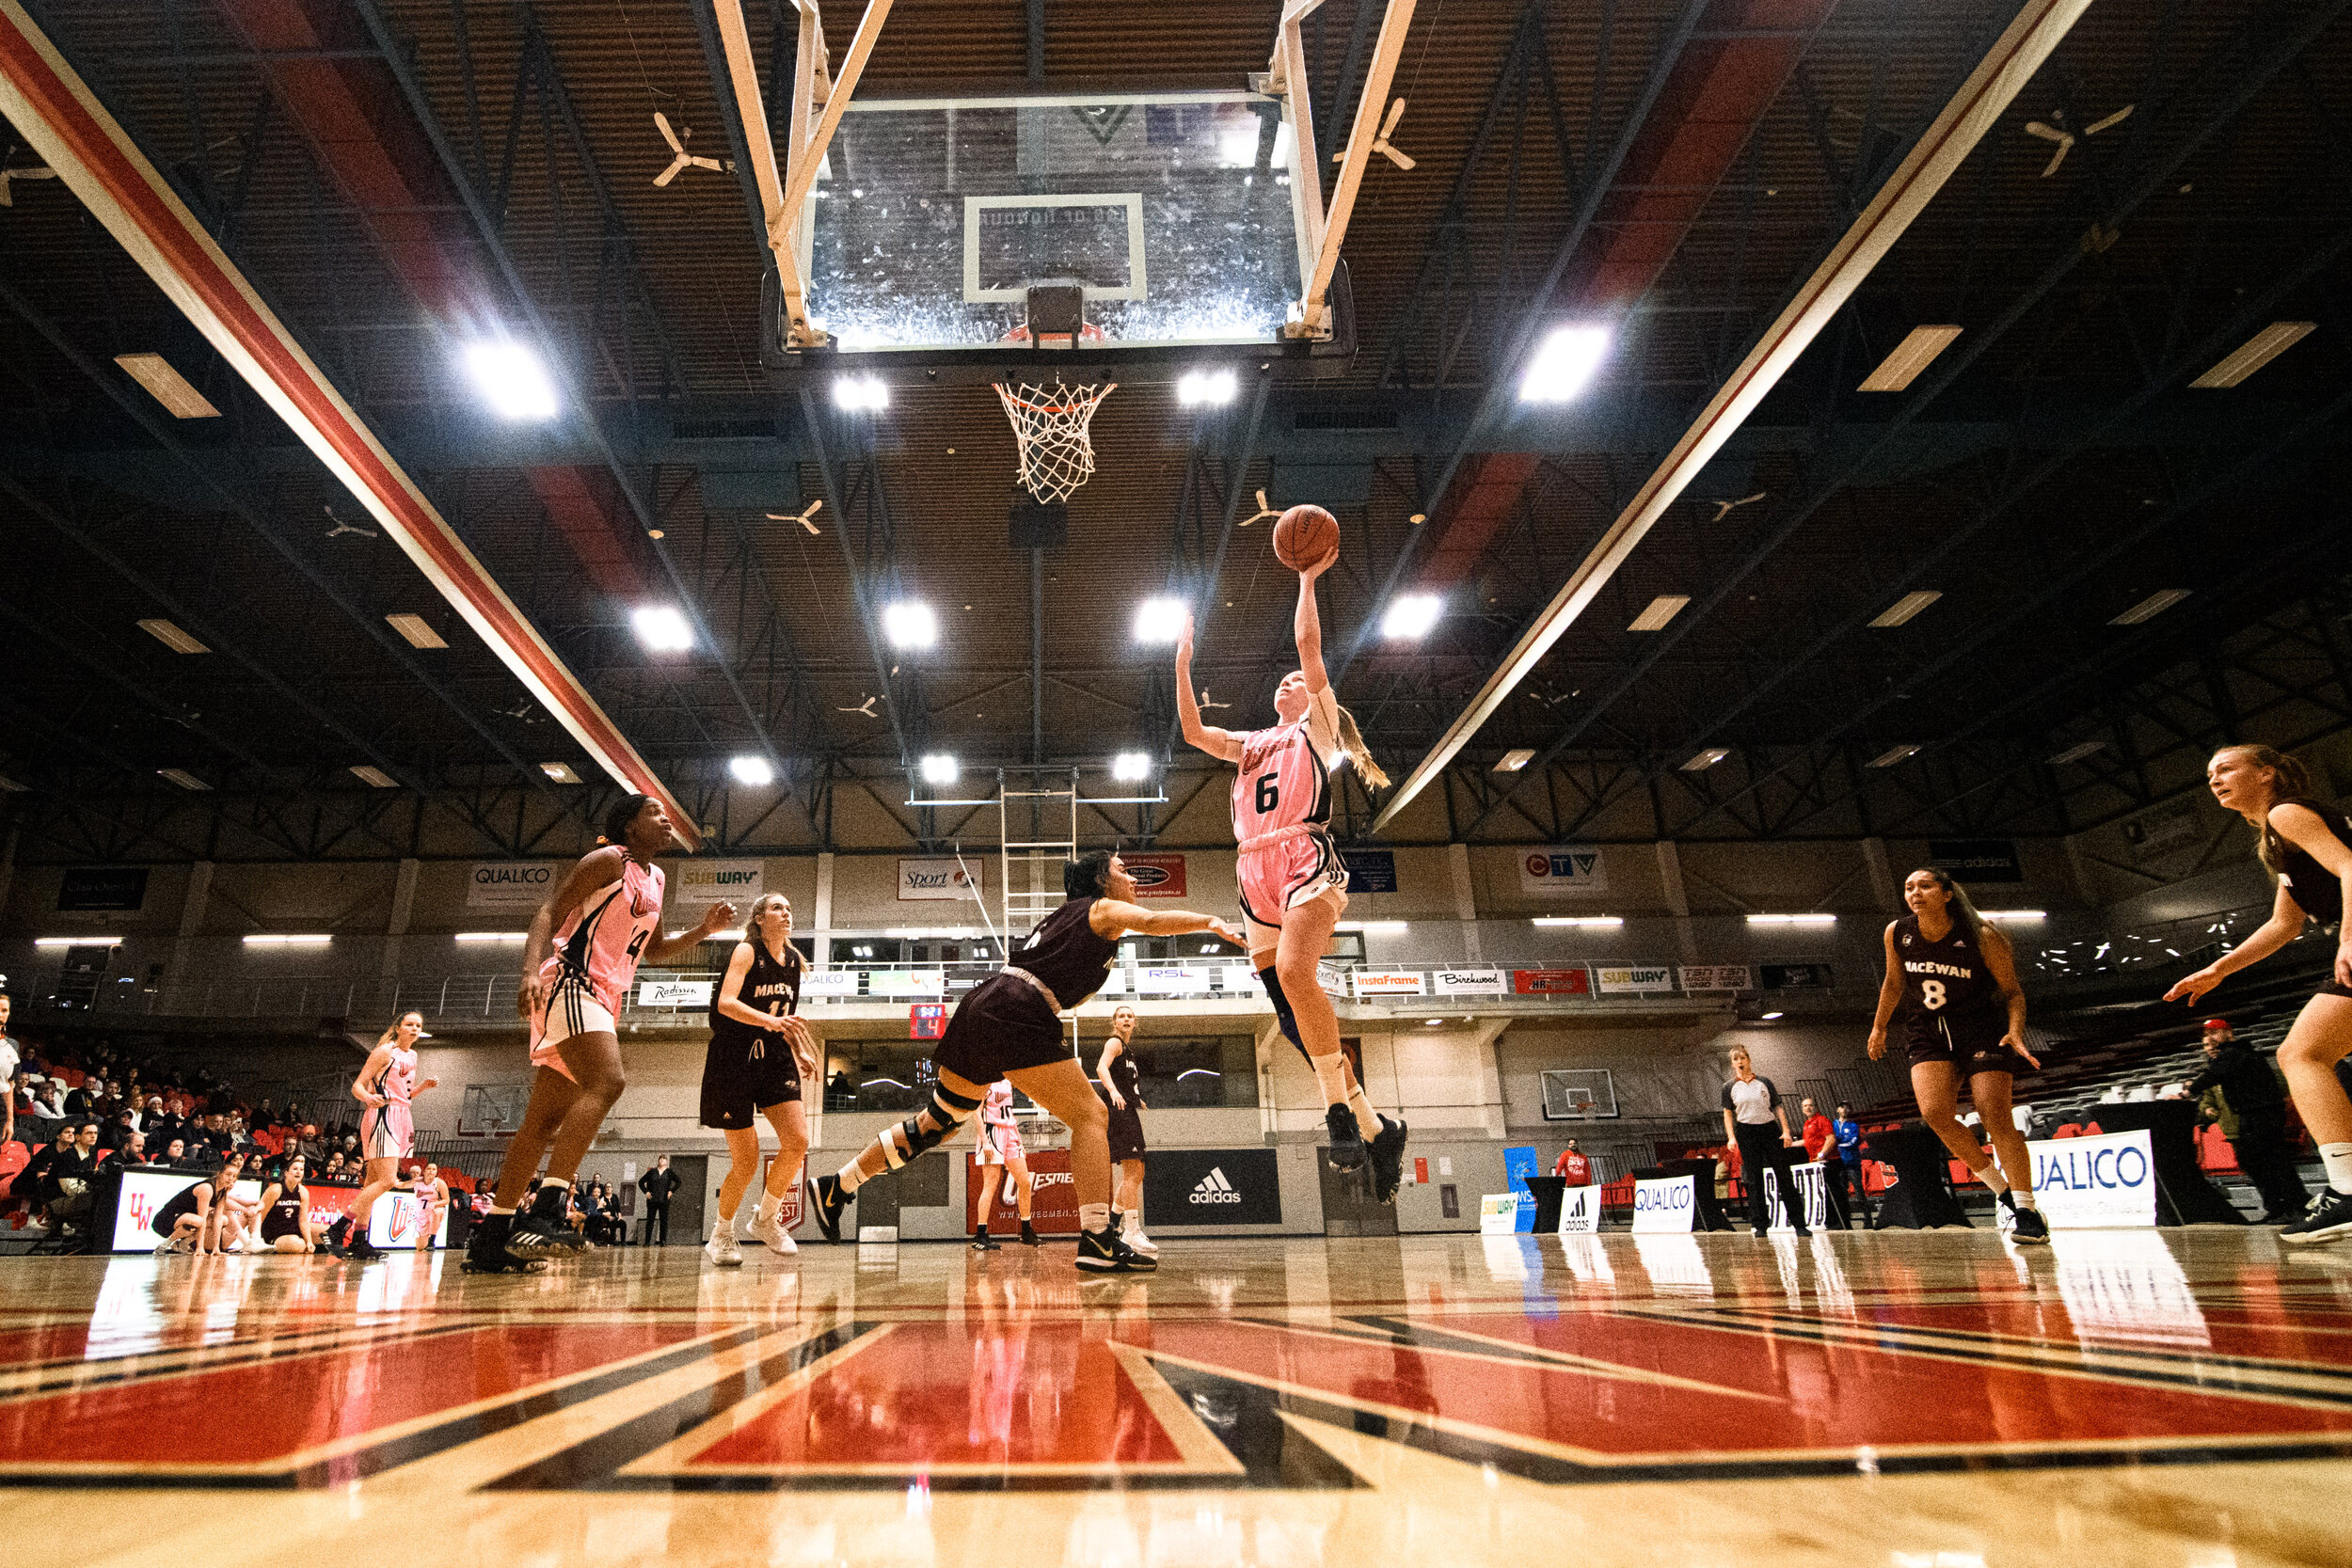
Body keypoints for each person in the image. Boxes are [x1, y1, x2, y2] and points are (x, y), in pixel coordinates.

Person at [807, 850, 1244, 1273]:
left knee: (937, 1121)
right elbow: (1150, 922)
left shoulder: (1067, 922)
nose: (1132, 878)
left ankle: (838, 1185)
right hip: (1018, 1007)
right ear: (1100, 881)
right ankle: (1097, 1238)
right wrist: (1209, 921)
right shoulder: (1099, 909)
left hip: (985, 1002)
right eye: (1122, 869)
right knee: (1092, 1115)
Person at [1176, 563, 1407, 1197]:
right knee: (1285, 1013)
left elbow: (1309, 646)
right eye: (1280, 679)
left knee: (1298, 974)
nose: (1287, 680)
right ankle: (1375, 1126)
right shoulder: (1252, 742)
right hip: (1252, 867)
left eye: (1294, 680)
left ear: (1312, 695)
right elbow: (1194, 730)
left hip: (1302, 852)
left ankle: (1339, 1112)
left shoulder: (1319, 729)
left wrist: (1307, 576)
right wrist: (1182, 658)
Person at [467, 793, 734, 1274]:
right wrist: (529, 970)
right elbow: (548, 911)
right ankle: (549, 1208)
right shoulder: (609, 860)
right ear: (630, 827)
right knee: (609, 1082)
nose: (667, 820)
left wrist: (705, 930)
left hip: (603, 999)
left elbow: (654, 950)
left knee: (542, 1121)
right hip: (571, 979)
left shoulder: (656, 878)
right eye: (655, 813)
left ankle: (492, 1237)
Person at [2165, 744, 2352, 1243]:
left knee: (2303, 1053)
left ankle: (2349, 1190)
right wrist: (2218, 970)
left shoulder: (2290, 813)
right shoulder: (2273, 834)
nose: (2215, 779)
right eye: (2209, 774)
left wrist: (2351, 937)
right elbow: (2284, 924)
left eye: (2226, 769)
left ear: (2267, 773)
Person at [1867, 867, 2049, 1244]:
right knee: (1934, 1113)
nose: (1915, 892)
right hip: (1927, 1032)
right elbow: (1894, 981)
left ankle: (2028, 1211)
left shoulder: (1983, 937)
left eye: (1925, 885)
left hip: (1979, 1029)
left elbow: (2014, 993)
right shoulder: (1897, 932)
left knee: (1993, 1113)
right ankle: (2003, 1191)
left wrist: (2015, 1031)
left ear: (1947, 894)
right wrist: (1880, 1026)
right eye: (1908, 887)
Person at [700, 893, 817, 1267]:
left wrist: (799, 1050)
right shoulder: (746, 952)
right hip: (732, 1057)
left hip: (773, 1054)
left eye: (789, 908)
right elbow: (726, 1003)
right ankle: (721, 1231)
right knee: (746, 1161)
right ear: (760, 918)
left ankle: (765, 1218)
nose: (786, 913)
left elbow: (785, 1017)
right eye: (778, 908)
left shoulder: (795, 961)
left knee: (797, 1141)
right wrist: (770, 1023)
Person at [2166, 1018, 2309, 1223]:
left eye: (2214, 1033)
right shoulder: (2226, 1058)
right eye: (2206, 1036)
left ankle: (2295, 1207)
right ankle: (2277, 1208)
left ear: (2229, 1034)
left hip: (2262, 1114)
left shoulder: (2236, 1053)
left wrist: (2184, 1095)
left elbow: (2212, 1075)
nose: (2210, 1038)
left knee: (2274, 1162)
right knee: (2254, 1163)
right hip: (2249, 1116)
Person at [343, 1011, 437, 1259]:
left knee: (372, 1182)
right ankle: (338, 1227)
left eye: (419, 1025)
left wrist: (422, 1088)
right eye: (410, 1024)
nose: (415, 1029)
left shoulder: (413, 1055)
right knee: (387, 1181)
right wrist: (368, 1098)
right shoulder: (385, 1051)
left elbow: (403, 1096)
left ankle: (359, 1240)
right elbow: (357, 1086)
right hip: (382, 1115)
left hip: (401, 1114)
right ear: (398, 1028)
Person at [1720, 1048, 1811, 1237]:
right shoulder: (1728, 1087)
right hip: (1746, 1131)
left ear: (1749, 1059)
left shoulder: (1764, 1082)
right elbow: (1728, 1114)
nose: (1740, 1061)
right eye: (1736, 1059)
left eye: (1742, 1058)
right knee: (1754, 1179)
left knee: (1784, 1175)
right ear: (1732, 1063)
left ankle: (1799, 1223)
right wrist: (1731, 1137)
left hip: (1769, 1129)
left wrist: (1786, 1131)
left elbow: (1778, 1106)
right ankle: (1760, 1225)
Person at [1096, 1006, 1154, 1257]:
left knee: (1137, 1171)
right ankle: (1131, 1230)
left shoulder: (1129, 1051)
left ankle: (1113, 1223)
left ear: (1135, 1022)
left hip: (1128, 1108)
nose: (1126, 1019)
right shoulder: (1114, 1043)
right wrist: (1114, 1092)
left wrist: (1136, 1097)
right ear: (1115, 1023)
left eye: (1130, 1016)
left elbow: (1129, 1080)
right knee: (1132, 1169)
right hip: (1117, 1110)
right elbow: (1101, 1068)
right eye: (1122, 1016)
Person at [969, 1078, 1038, 1251]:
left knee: (1025, 1182)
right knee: (990, 1184)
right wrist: (984, 1140)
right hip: (991, 1132)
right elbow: (975, 1112)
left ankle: (1026, 1231)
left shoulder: (1007, 1081)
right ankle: (981, 1234)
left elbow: (1009, 1113)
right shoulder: (983, 1081)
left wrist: (1019, 1140)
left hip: (1010, 1131)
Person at [153, 1154, 242, 1255]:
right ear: (219, 1174)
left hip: (185, 1220)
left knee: (223, 1219)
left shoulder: (222, 1191)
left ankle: (183, 1244)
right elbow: (202, 1219)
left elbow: (217, 1219)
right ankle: (164, 1245)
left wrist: (216, 1248)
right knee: (199, 1220)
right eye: (228, 1174)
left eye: (234, 1176)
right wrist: (200, 1247)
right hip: (164, 1220)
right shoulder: (207, 1188)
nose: (231, 1178)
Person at [256, 1154, 318, 1253]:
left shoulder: (303, 1192)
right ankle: (271, 1247)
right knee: (297, 1244)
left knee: (327, 1232)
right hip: (274, 1233)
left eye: (301, 1170)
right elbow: (259, 1217)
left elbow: (303, 1221)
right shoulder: (275, 1189)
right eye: (295, 1169)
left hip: (293, 1229)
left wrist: (309, 1241)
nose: (298, 1172)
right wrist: (257, 1241)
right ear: (286, 1172)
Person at [1830, 1102, 1871, 1224]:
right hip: (1839, 1163)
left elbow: (1852, 1142)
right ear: (1837, 1109)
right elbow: (1831, 1140)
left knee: (1859, 1191)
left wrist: (1837, 1143)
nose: (1845, 1109)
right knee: (1842, 1193)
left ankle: (1867, 1218)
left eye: (1847, 1107)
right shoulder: (1833, 1125)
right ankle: (1845, 1219)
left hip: (1852, 1163)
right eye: (1842, 1107)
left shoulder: (1853, 1126)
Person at [639, 1154, 680, 1246]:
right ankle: (647, 1241)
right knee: (650, 1221)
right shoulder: (652, 1171)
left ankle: (663, 1241)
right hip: (652, 1200)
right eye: (660, 1159)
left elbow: (678, 1182)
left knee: (664, 1221)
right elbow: (641, 1182)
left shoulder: (669, 1172)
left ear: (666, 1162)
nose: (662, 1160)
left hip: (664, 1200)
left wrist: (671, 1191)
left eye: (664, 1159)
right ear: (658, 1161)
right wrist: (646, 1192)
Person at [410, 1161, 451, 1250]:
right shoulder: (418, 1181)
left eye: (434, 1169)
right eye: (429, 1169)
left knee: (436, 1212)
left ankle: (432, 1240)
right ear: (424, 1171)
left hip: (435, 1209)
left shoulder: (439, 1183)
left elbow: (446, 1200)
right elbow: (405, 1185)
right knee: (420, 1248)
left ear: (436, 1172)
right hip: (421, 1212)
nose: (431, 1171)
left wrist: (434, 1204)